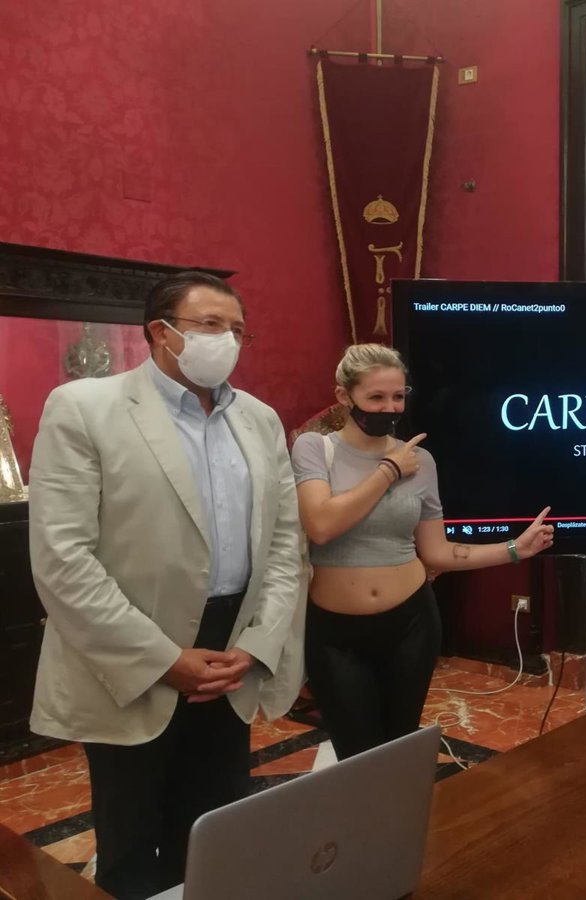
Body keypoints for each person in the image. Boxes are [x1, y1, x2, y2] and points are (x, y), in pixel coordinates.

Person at [28, 271, 305, 900]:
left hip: (232, 650)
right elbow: (62, 558)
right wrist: (161, 659)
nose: (226, 340)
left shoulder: (259, 419)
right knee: (129, 841)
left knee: (213, 829)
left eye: (237, 330)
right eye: (210, 325)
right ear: (161, 331)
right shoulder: (85, 407)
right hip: (130, 649)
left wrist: (257, 644)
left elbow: (285, 544)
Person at [291, 343, 554, 760]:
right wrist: (389, 471)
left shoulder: (421, 461)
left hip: (410, 625)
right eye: (376, 397)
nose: (390, 407)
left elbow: (436, 552)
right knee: (356, 755)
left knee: (399, 749)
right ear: (344, 396)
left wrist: (513, 550)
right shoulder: (314, 448)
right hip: (335, 633)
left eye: (398, 396)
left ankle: (400, 807)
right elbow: (321, 525)